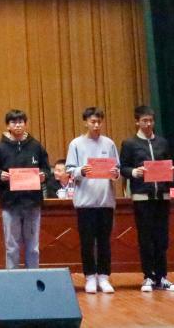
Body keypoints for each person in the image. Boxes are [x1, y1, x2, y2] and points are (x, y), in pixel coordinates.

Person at [119, 106, 174, 292]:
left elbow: (170, 164)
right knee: (145, 238)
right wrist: (134, 172)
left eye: (151, 121)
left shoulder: (162, 142)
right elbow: (122, 168)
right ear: (137, 122)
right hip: (142, 197)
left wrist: (171, 172)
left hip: (162, 196)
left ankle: (162, 277)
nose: (148, 124)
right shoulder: (129, 143)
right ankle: (148, 276)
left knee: (162, 238)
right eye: (144, 121)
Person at [66, 107, 120, 294]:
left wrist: (115, 173)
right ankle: (89, 276)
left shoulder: (109, 143)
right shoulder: (76, 144)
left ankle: (104, 276)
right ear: (85, 123)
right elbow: (69, 170)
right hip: (85, 202)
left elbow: (117, 170)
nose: (96, 125)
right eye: (92, 122)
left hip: (106, 201)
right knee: (87, 241)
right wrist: (81, 170)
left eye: (99, 122)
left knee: (104, 241)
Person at [0, 109, 51, 270]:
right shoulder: (0, 148)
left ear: (26, 124)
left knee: (33, 247)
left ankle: (33, 277)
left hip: (32, 203)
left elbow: (47, 169)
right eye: (14, 122)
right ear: (7, 126)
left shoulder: (36, 146)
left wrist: (44, 175)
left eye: (21, 122)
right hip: (10, 204)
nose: (17, 125)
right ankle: (12, 279)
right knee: (12, 247)